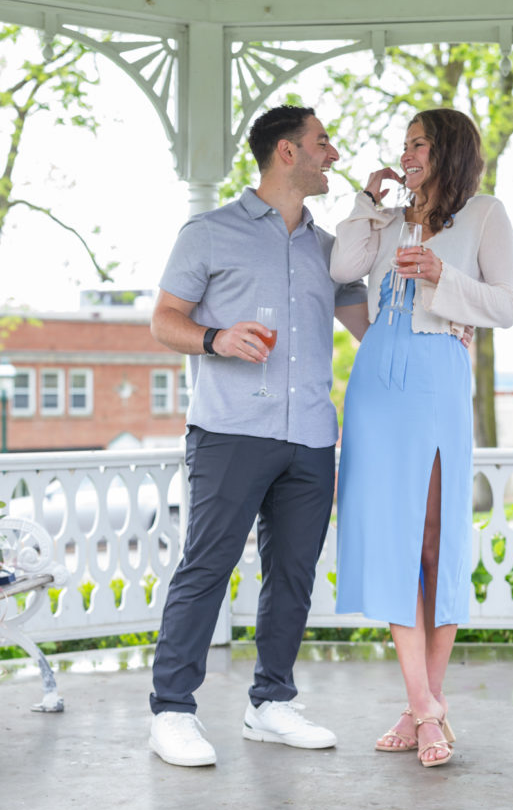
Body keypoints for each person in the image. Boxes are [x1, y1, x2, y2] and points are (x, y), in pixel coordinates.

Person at [148, 105, 369, 767]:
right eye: (322, 142)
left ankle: (270, 703)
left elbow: (371, 328)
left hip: (309, 437)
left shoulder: (330, 251)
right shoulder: (209, 233)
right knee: (206, 568)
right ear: (286, 152)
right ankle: (173, 711)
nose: (332, 153)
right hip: (230, 433)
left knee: (293, 575)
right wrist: (216, 338)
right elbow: (163, 321)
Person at [330, 108, 513, 768]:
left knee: (434, 538)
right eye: (404, 143)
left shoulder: (486, 215)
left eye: (417, 143)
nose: (406, 152)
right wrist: (365, 200)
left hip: (439, 373)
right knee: (392, 538)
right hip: (378, 377)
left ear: (446, 151)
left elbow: (507, 306)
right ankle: (426, 707)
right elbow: (340, 268)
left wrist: (444, 279)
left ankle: (423, 709)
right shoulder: (385, 218)